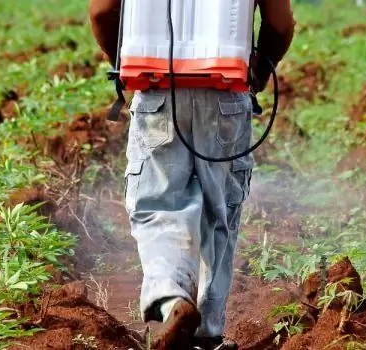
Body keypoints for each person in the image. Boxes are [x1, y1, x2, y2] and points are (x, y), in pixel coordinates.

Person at [89, 1, 295, 349]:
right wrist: (258, 73)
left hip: (155, 85)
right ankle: (207, 335)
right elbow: (279, 23)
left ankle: (172, 298)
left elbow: (101, 12)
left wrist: (121, 62)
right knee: (219, 211)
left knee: (157, 205)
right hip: (226, 90)